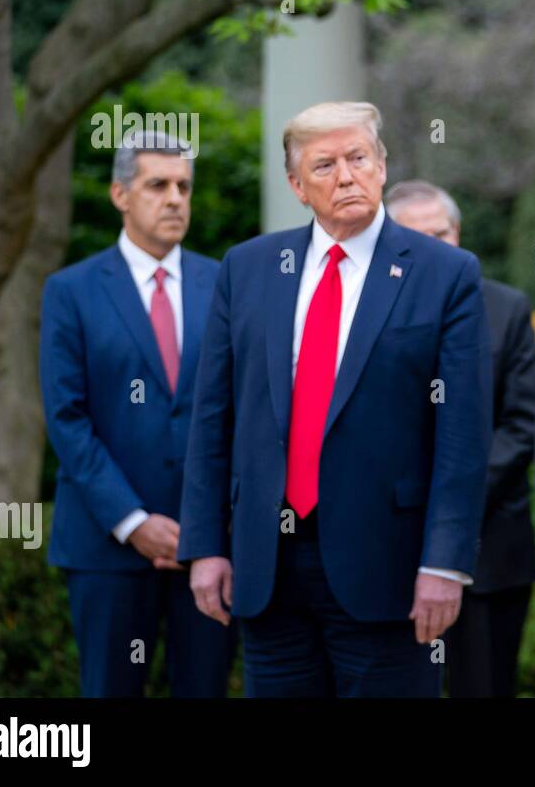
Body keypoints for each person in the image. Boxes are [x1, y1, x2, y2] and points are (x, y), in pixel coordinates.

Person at [177, 102, 492, 697]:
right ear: (297, 186)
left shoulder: (445, 273)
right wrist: (205, 545)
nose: (346, 176)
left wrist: (446, 562)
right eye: (325, 165)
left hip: (391, 574)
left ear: (381, 165)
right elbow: (212, 418)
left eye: (358, 158)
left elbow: (463, 435)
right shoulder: (247, 269)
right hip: (266, 570)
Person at [41, 129, 235, 697]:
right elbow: (67, 418)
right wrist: (133, 522)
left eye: (184, 186)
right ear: (120, 194)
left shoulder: (224, 283)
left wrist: (212, 524)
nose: (175, 198)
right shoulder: (71, 291)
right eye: (158, 185)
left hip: (208, 545)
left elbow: (241, 412)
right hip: (107, 544)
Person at [386, 179, 535, 698]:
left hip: (490, 553)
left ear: (459, 232)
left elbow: (522, 426)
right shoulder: (371, 318)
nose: (436, 245)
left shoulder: (507, 309)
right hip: (390, 553)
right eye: (418, 235)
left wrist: (448, 499)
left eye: (443, 231)